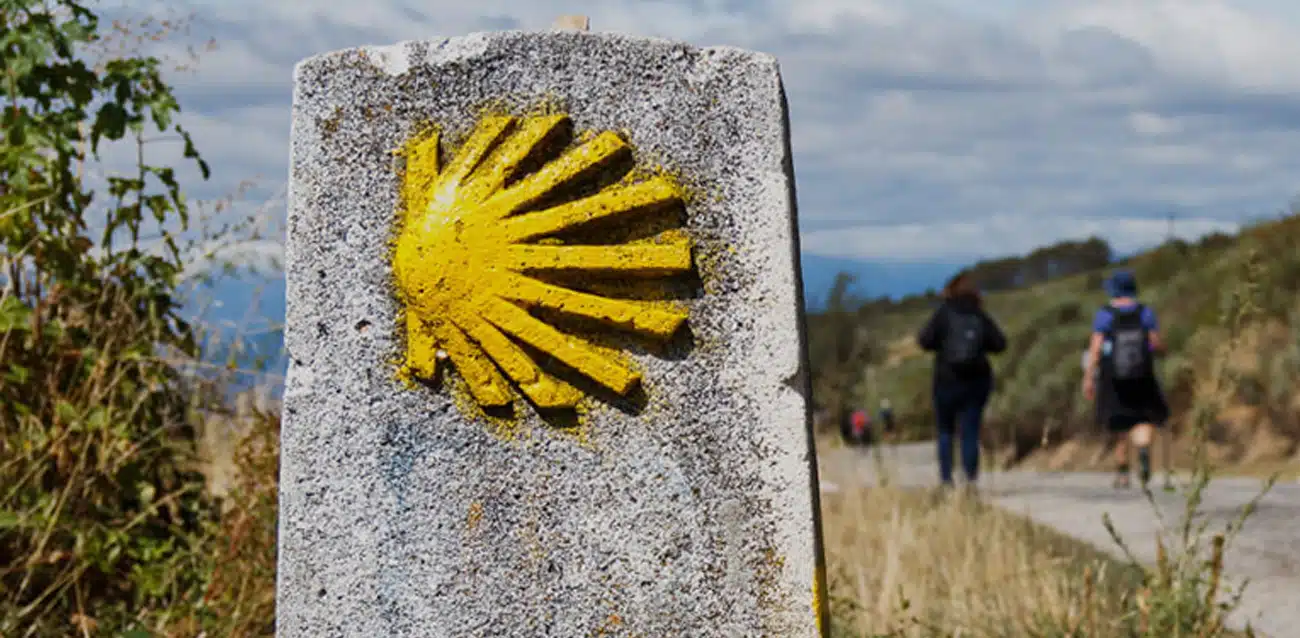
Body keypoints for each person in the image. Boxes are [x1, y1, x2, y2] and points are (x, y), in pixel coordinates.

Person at [916, 272, 1007, 490]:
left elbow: (924, 340)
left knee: (945, 431)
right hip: (976, 381)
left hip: (946, 380)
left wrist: (942, 345)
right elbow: (1000, 344)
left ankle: (946, 481)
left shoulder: (943, 313)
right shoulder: (979, 315)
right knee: (970, 432)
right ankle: (970, 481)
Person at [1082, 269, 1169, 489]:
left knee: (1119, 422)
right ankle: (1143, 450)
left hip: (1113, 377)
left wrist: (1089, 377)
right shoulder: (1145, 312)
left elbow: (1095, 349)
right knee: (1143, 417)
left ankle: (1122, 472)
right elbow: (1155, 343)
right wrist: (1158, 350)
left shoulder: (1105, 314)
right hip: (1142, 374)